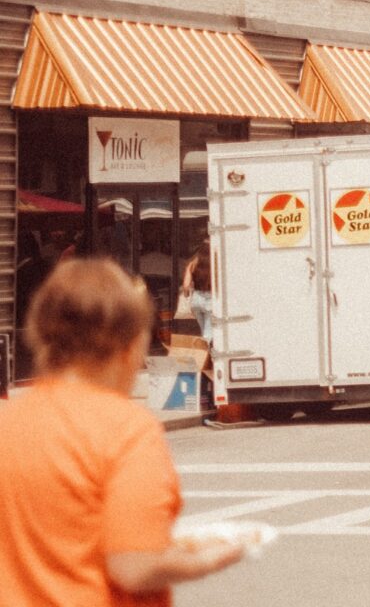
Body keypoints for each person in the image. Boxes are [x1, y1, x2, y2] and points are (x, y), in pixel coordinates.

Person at [0, 257, 245, 604]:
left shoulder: (10, 422)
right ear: (128, 345)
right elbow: (135, 566)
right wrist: (210, 557)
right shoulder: (127, 429)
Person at [179, 245, 215, 342]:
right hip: (210, 299)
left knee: (204, 330)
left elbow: (186, 285)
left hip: (196, 300)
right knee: (208, 333)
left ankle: (206, 351)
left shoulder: (192, 265)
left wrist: (186, 295)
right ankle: (206, 353)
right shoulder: (214, 265)